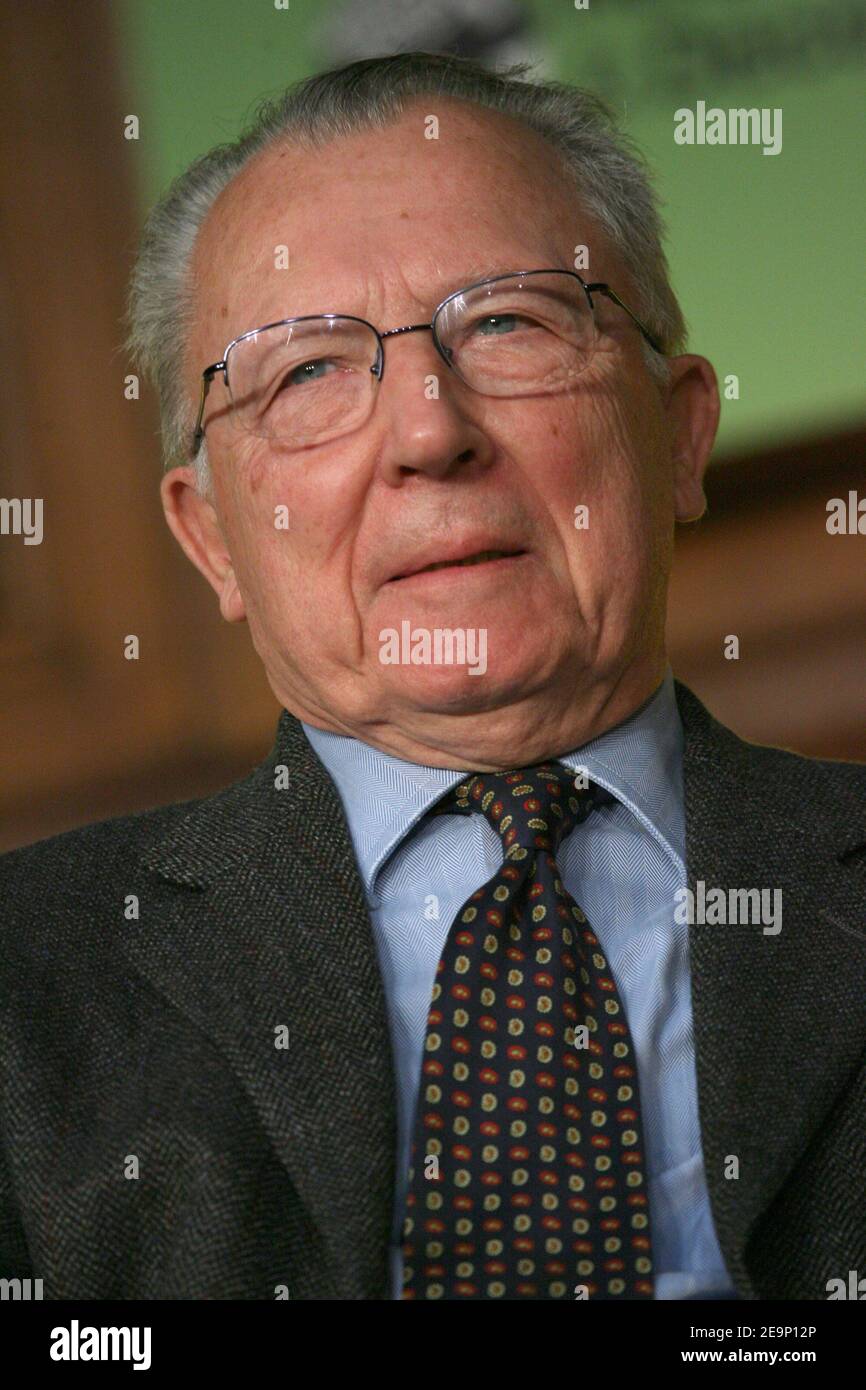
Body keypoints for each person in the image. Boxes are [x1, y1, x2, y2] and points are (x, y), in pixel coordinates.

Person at [1, 52, 864, 1302]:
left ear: (676, 433)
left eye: (509, 320)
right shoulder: (26, 982)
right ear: (210, 538)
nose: (426, 431)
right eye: (303, 371)